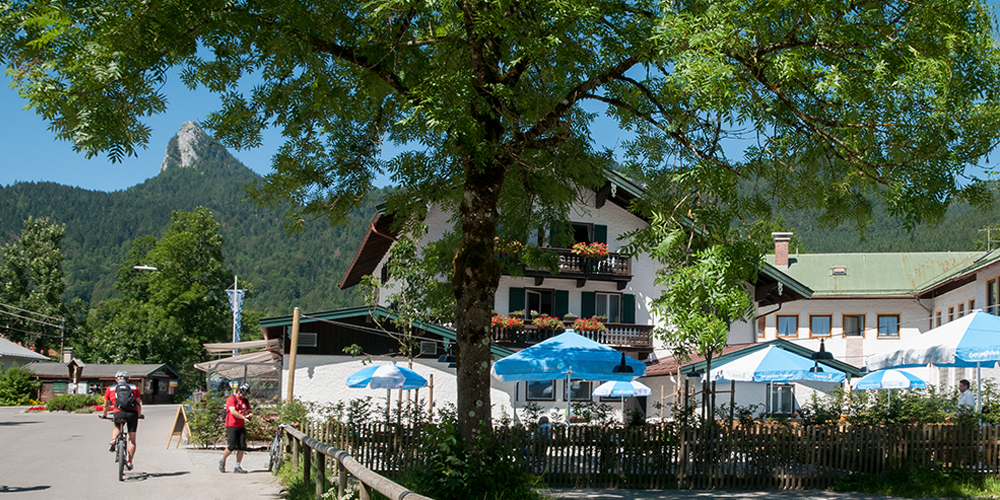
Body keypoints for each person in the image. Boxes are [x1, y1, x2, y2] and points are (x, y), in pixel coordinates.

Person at [102, 370, 142, 471]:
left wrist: (104, 415)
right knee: (132, 438)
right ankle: (129, 462)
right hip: (132, 413)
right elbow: (138, 403)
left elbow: (106, 404)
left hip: (118, 412)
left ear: (116, 379)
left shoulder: (110, 388)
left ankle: (113, 441)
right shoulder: (133, 387)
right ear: (128, 379)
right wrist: (139, 414)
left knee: (117, 427)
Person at [219, 383, 253, 474]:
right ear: (238, 392)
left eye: (246, 394)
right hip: (231, 425)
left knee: (242, 446)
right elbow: (233, 411)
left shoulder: (245, 401)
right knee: (231, 446)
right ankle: (223, 460)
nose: (244, 396)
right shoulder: (231, 399)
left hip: (241, 425)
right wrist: (244, 417)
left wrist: (250, 415)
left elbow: (249, 411)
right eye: (243, 394)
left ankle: (237, 466)